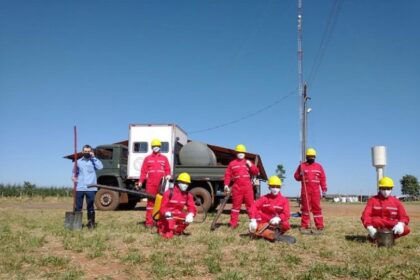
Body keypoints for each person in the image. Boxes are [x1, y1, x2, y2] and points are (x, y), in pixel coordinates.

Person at [361, 176, 410, 242]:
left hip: (390, 225)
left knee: (406, 229)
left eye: (388, 188)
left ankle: (388, 238)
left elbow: (404, 217)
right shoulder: (372, 200)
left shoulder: (396, 202)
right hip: (377, 225)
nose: (386, 191)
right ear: (379, 188)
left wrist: (401, 224)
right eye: (383, 188)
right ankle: (374, 237)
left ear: (392, 189)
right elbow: (365, 215)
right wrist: (369, 227)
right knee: (375, 221)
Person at [135, 139, 171, 227]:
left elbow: (168, 169)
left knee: (161, 203)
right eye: (154, 146)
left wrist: (168, 175)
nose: (156, 148)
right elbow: (143, 172)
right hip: (150, 185)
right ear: (151, 147)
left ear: (160, 147)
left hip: (161, 185)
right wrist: (140, 182)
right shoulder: (147, 159)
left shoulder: (164, 158)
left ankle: (159, 222)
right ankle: (149, 223)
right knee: (150, 204)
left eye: (157, 146)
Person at [224, 144, 259, 229]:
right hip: (237, 187)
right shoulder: (232, 164)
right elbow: (228, 175)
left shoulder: (248, 162)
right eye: (239, 152)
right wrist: (226, 184)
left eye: (242, 152)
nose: (240, 153)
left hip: (248, 187)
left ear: (245, 153)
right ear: (236, 153)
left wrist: (251, 165)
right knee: (235, 206)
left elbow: (256, 172)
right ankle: (233, 224)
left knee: (250, 206)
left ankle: (253, 222)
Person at [294, 148, 327, 233]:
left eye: (312, 156)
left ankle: (320, 226)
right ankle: (304, 225)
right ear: (306, 157)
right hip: (305, 191)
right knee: (305, 209)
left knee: (317, 209)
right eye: (309, 156)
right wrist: (300, 175)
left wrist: (324, 190)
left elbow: (323, 179)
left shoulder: (319, 167)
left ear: (315, 157)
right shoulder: (302, 166)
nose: (311, 158)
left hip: (316, 192)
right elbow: (296, 177)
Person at [248, 175, 291, 242]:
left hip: (277, 224)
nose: (275, 188)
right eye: (273, 186)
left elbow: (286, 213)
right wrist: (253, 219)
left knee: (286, 224)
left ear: (280, 187)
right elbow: (253, 207)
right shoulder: (264, 198)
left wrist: (279, 218)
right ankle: (266, 233)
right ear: (269, 187)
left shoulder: (284, 200)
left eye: (277, 186)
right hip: (264, 223)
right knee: (257, 217)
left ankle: (270, 234)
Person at [72, 144, 103, 229]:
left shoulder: (94, 161)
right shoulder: (77, 162)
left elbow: (100, 167)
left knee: (90, 206)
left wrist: (94, 157)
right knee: (78, 207)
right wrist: (73, 177)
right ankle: (76, 225)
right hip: (80, 187)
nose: (87, 153)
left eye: (88, 151)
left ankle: (91, 224)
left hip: (91, 188)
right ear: (82, 152)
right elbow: (74, 173)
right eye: (85, 151)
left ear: (91, 152)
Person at [158, 172, 196, 239]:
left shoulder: (187, 195)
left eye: (187, 183)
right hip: (167, 216)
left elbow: (192, 206)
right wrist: (166, 212)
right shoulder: (169, 193)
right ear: (178, 182)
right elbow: (162, 208)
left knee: (188, 217)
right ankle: (165, 230)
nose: (185, 185)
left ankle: (178, 231)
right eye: (183, 182)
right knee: (168, 235)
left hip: (178, 215)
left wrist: (191, 214)